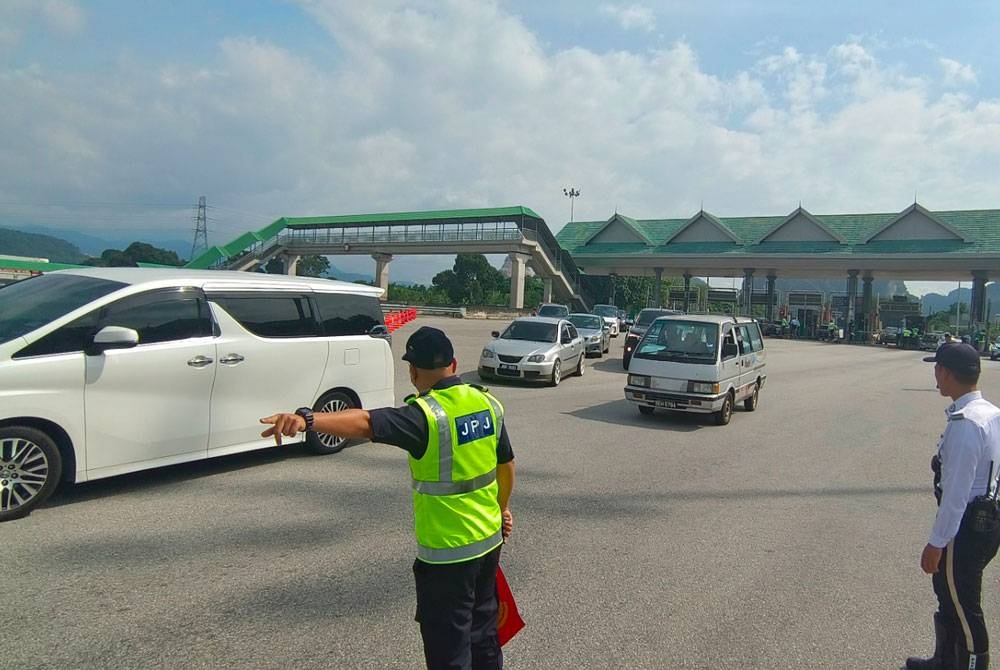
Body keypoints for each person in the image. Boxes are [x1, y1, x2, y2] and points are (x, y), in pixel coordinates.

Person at [260, 326, 516, 670]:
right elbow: (506, 464)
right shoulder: (487, 402)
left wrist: (308, 419)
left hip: (447, 557)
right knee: (483, 634)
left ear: (412, 371)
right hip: (488, 543)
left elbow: (367, 422)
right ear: (454, 364)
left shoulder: (425, 415)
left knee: (449, 648)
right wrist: (502, 510)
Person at [907, 343, 1000, 670]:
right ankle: (945, 661)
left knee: (964, 606)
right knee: (949, 595)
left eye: (937, 369)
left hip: (964, 528)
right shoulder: (989, 412)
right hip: (985, 521)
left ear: (945, 372)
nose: (935, 375)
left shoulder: (966, 423)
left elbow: (956, 493)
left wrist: (936, 542)